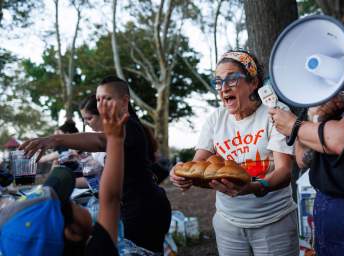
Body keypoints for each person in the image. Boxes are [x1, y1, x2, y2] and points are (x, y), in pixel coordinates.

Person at [269, 1, 344, 254]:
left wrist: (294, 125)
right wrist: (316, 114)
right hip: (327, 216)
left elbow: (343, 139)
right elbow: (302, 159)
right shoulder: (334, 87)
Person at [20, 76, 171, 254]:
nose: (101, 104)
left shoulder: (128, 125)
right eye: (98, 99)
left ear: (124, 101)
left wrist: (54, 139)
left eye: (107, 98)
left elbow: (100, 140)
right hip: (136, 205)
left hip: (144, 208)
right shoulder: (120, 128)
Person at [170, 50, 298, 256]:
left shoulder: (275, 112)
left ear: (253, 83)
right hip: (228, 224)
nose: (223, 88)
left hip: (274, 223)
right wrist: (181, 175)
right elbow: (199, 166)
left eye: (231, 80)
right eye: (219, 82)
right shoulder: (216, 120)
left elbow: (284, 172)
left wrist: (255, 187)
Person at [0, 98, 128, 255]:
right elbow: (111, 197)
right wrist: (115, 137)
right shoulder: (101, 250)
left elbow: (111, 198)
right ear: (72, 233)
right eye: (71, 203)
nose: (77, 203)